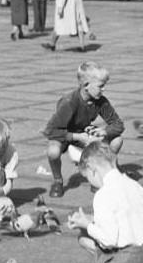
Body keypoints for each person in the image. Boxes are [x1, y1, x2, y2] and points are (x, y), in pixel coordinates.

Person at [43, 61, 124, 198]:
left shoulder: (100, 101)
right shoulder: (69, 102)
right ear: (86, 85)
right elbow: (50, 130)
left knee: (117, 140)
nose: (103, 89)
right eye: (101, 86)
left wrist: (104, 131)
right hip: (65, 134)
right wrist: (77, 137)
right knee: (53, 151)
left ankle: (100, 176)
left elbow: (118, 124)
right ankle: (58, 181)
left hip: (84, 131)